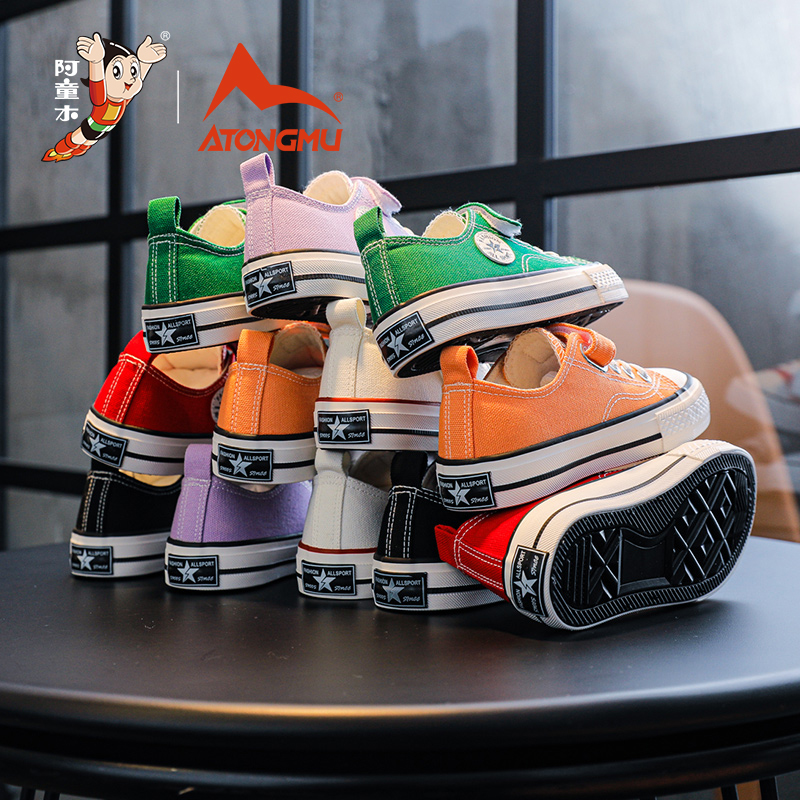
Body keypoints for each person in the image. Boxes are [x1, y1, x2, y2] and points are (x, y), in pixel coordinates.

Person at [43, 32, 166, 162]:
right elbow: (97, 84)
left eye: (133, 70)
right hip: (90, 128)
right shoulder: (102, 100)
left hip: (104, 130)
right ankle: (57, 152)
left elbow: (136, 82)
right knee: (74, 141)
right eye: (117, 72)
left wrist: (145, 62)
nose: (130, 79)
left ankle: (70, 153)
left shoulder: (123, 99)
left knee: (85, 145)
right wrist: (95, 62)